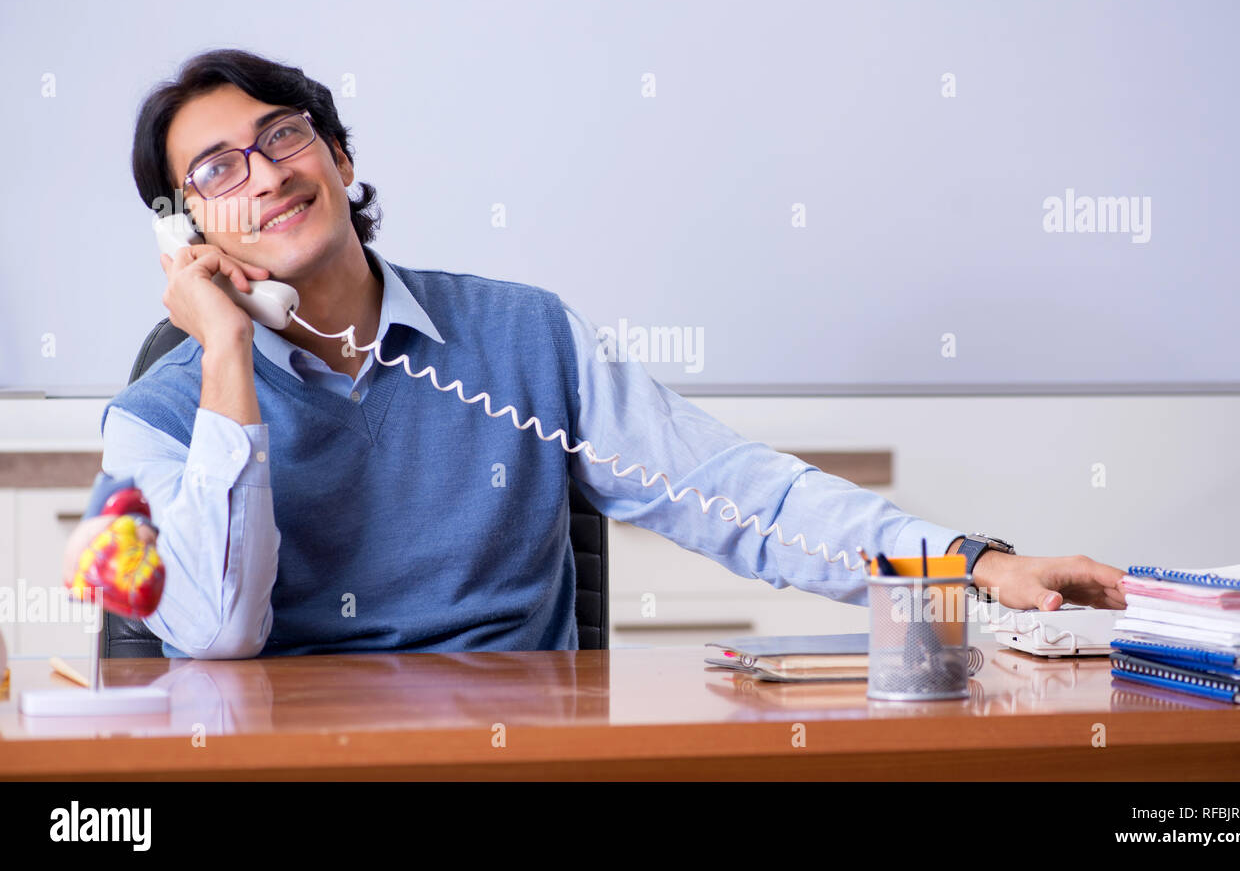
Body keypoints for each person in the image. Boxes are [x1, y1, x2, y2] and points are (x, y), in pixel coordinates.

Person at [79, 48, 1126, 660]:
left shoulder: (524, 335)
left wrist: (975, 566)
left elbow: (734, 494)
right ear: (183, 233)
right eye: (217, 169)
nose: (264, 174)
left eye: (284, 136)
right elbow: (215, 632)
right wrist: (221, 353)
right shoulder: (155, 417)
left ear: (340, 159)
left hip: (529, 769)